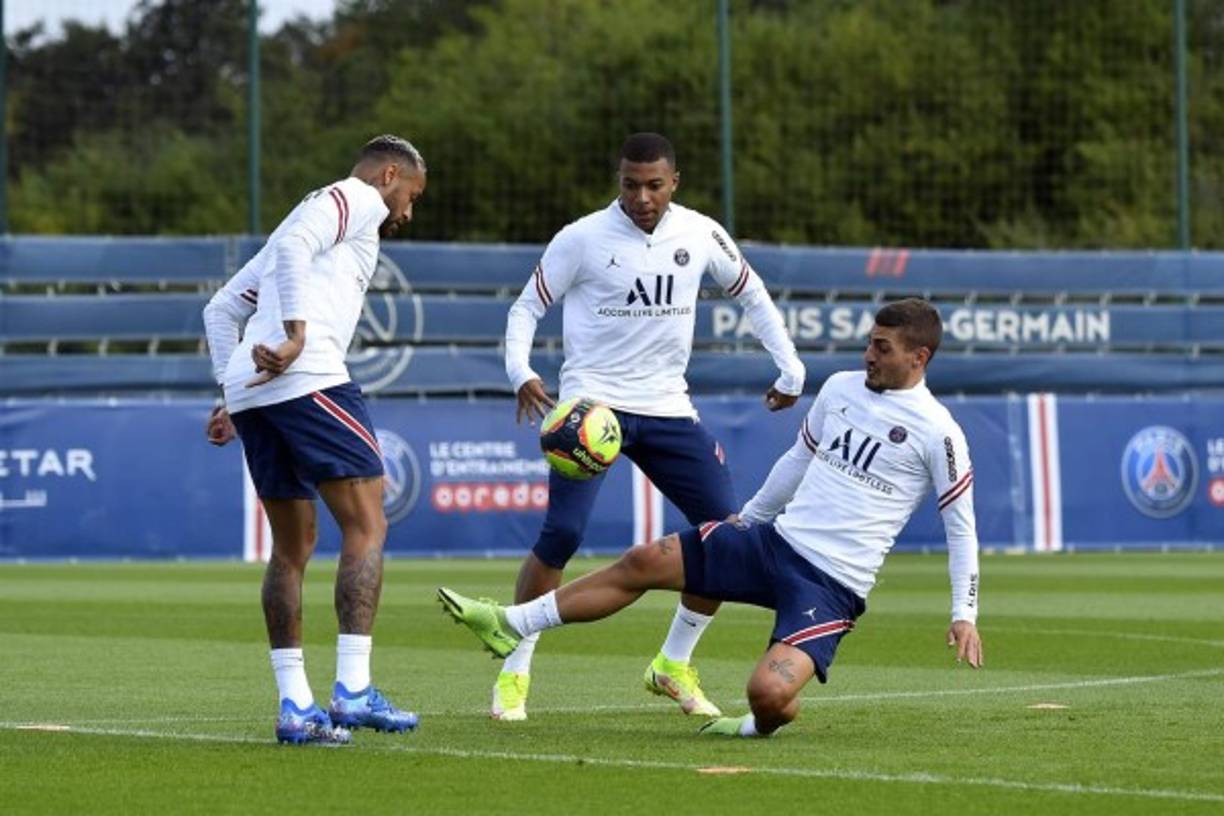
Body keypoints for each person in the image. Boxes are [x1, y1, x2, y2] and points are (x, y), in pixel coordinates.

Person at [441, 298, 983, 736]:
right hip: (773, 543)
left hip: (831, 583)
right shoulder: (841, 388)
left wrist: (964, 613)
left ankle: (755, 727)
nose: (868, 354)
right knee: (645, 559)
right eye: (868, 341)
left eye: (882, 347)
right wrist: (748, 520)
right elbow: (798, 459)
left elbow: (961, 527)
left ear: (920, 357)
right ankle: (511, 623)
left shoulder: (939, 432)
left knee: (768, 695)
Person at [497, 132, 806, 722]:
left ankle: (672, 663)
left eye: (654, 185)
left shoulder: (700, 232)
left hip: (667, 406)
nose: (641, 196)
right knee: (562, 535)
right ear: (619, 181)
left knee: (724, 536)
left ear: (674, 184)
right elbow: (526, 308)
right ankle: (515, 667)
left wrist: (790, 366)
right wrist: (521, 372)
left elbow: (753, 294)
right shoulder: (582, 237)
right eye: (630, 184)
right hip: (593, 411)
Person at [202, 135, 427, 745]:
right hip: (309, 377)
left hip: (257, 391)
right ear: (388, 176)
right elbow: (299, 247)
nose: (408, 212)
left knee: (292, 547)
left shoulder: (297, 223)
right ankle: (352, 689)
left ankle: (296, 706)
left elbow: (221, 309)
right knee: (367, 525)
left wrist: (229, 390)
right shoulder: (350, 198)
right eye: (410, 196)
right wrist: (298, 335)